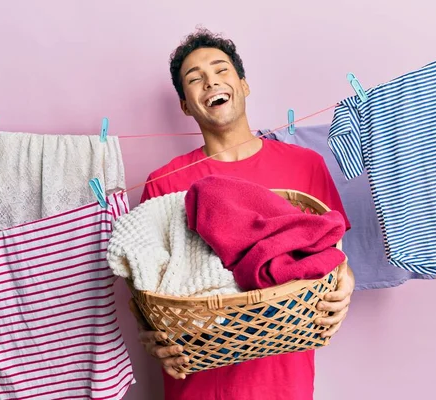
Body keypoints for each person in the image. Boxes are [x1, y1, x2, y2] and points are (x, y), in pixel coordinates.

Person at [133, 27, 355, 400]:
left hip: (283, 382)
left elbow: (335, 255)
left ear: (244, 85)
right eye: (195, 78)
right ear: (186, 105)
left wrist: (345, 283)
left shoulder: (306, 166)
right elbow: (146, 288)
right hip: (198, 385)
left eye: (221, 70)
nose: (210, 82)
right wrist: (149, 337)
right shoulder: (163, 185)